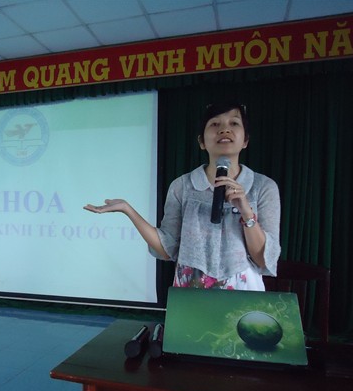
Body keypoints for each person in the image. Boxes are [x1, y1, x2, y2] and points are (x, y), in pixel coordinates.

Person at [84, 102, 280, 290]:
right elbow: (166, 249)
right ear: (201, 142)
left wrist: (246, 213)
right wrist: (128, 210)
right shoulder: (182, 186)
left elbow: (264, 259)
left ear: (245, 140)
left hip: (243, 296)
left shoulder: (263, 187)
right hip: (191, 294)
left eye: (234, 123)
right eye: (215, 124)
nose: (224, 129)